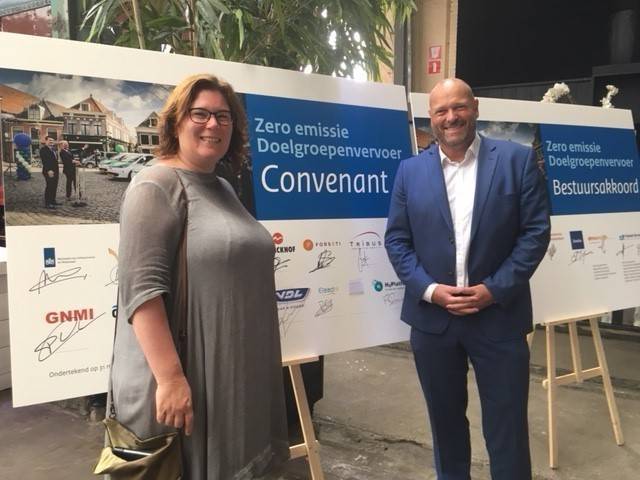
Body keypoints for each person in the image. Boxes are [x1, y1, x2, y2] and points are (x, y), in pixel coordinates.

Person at [109, 74, 289, 479]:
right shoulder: (154, 187)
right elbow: (142, 293)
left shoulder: (222, 186)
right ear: (176, 122)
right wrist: (171, 379)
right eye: (200, 114)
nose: (213, 125)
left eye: (223, 116)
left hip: (231, 374)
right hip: (187, 377)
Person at [384, 78, 550, 480]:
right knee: (445, 429)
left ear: (475, 108)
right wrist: (430, 291)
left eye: (458, 107)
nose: (451, 117)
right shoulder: (409, 171)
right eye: (441, 111)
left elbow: (535, 233)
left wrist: (493, 289)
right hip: (434, 323)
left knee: (508, 430)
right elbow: (397, 240)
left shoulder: (515, 161)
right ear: (431, 117)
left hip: (499, 318)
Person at [39, 136, 59, 209]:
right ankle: (48, 203)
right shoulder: (43, 149)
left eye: (52, 141)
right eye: (50, 140)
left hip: (55, 171)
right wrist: (49, 170)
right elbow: (45, 161)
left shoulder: (53, 149)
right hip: (49, 171)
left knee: (54, 186)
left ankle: (53, 201)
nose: (51, 142)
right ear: (46, 141)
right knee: (49, 186)